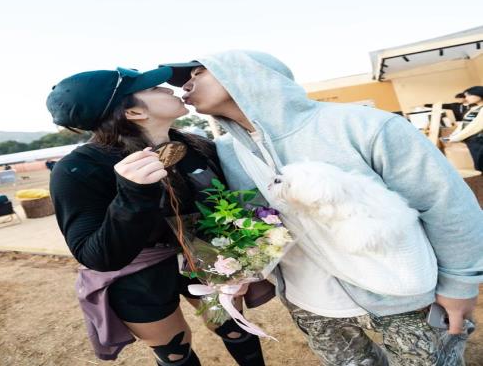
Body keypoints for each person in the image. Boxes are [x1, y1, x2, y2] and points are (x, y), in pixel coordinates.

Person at [161, 50, 483, 366]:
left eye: (198, 73)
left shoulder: (363, 125)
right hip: (310, 303)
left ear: (249, 73)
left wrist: (459, 283)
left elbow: (445, 205)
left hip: (401, 294)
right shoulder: (226, 151)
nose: (185, 86)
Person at [46, 67, 270, 366]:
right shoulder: (77, 169)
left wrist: (245, 252)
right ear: (134, 112)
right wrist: (133, 194)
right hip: (137, 274)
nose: (167, 88)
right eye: (153, 88)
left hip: (204, 255)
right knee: (174, 351)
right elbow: (95, 255)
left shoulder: (195, 146)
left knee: (233, 327)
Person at [448, 86, 483, 171]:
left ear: (479, 94)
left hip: (479, 141)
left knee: (480, 164)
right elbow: (463, 124)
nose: (466, 98)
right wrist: (454, 134)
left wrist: (456, 137)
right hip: (472, 140)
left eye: (469, 95)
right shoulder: (474, 108)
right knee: (478, 164)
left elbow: (474, 127)